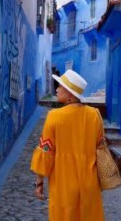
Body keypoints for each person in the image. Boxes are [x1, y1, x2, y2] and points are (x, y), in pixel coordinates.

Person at [30, 69, 105, 221]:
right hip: (89, 185)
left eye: (60, 86)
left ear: (70, 94)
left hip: (63, 186)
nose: (56, 89)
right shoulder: (95, 115)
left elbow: (45, 151)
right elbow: (101, 148)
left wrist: (39, 183)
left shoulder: (54, 117)